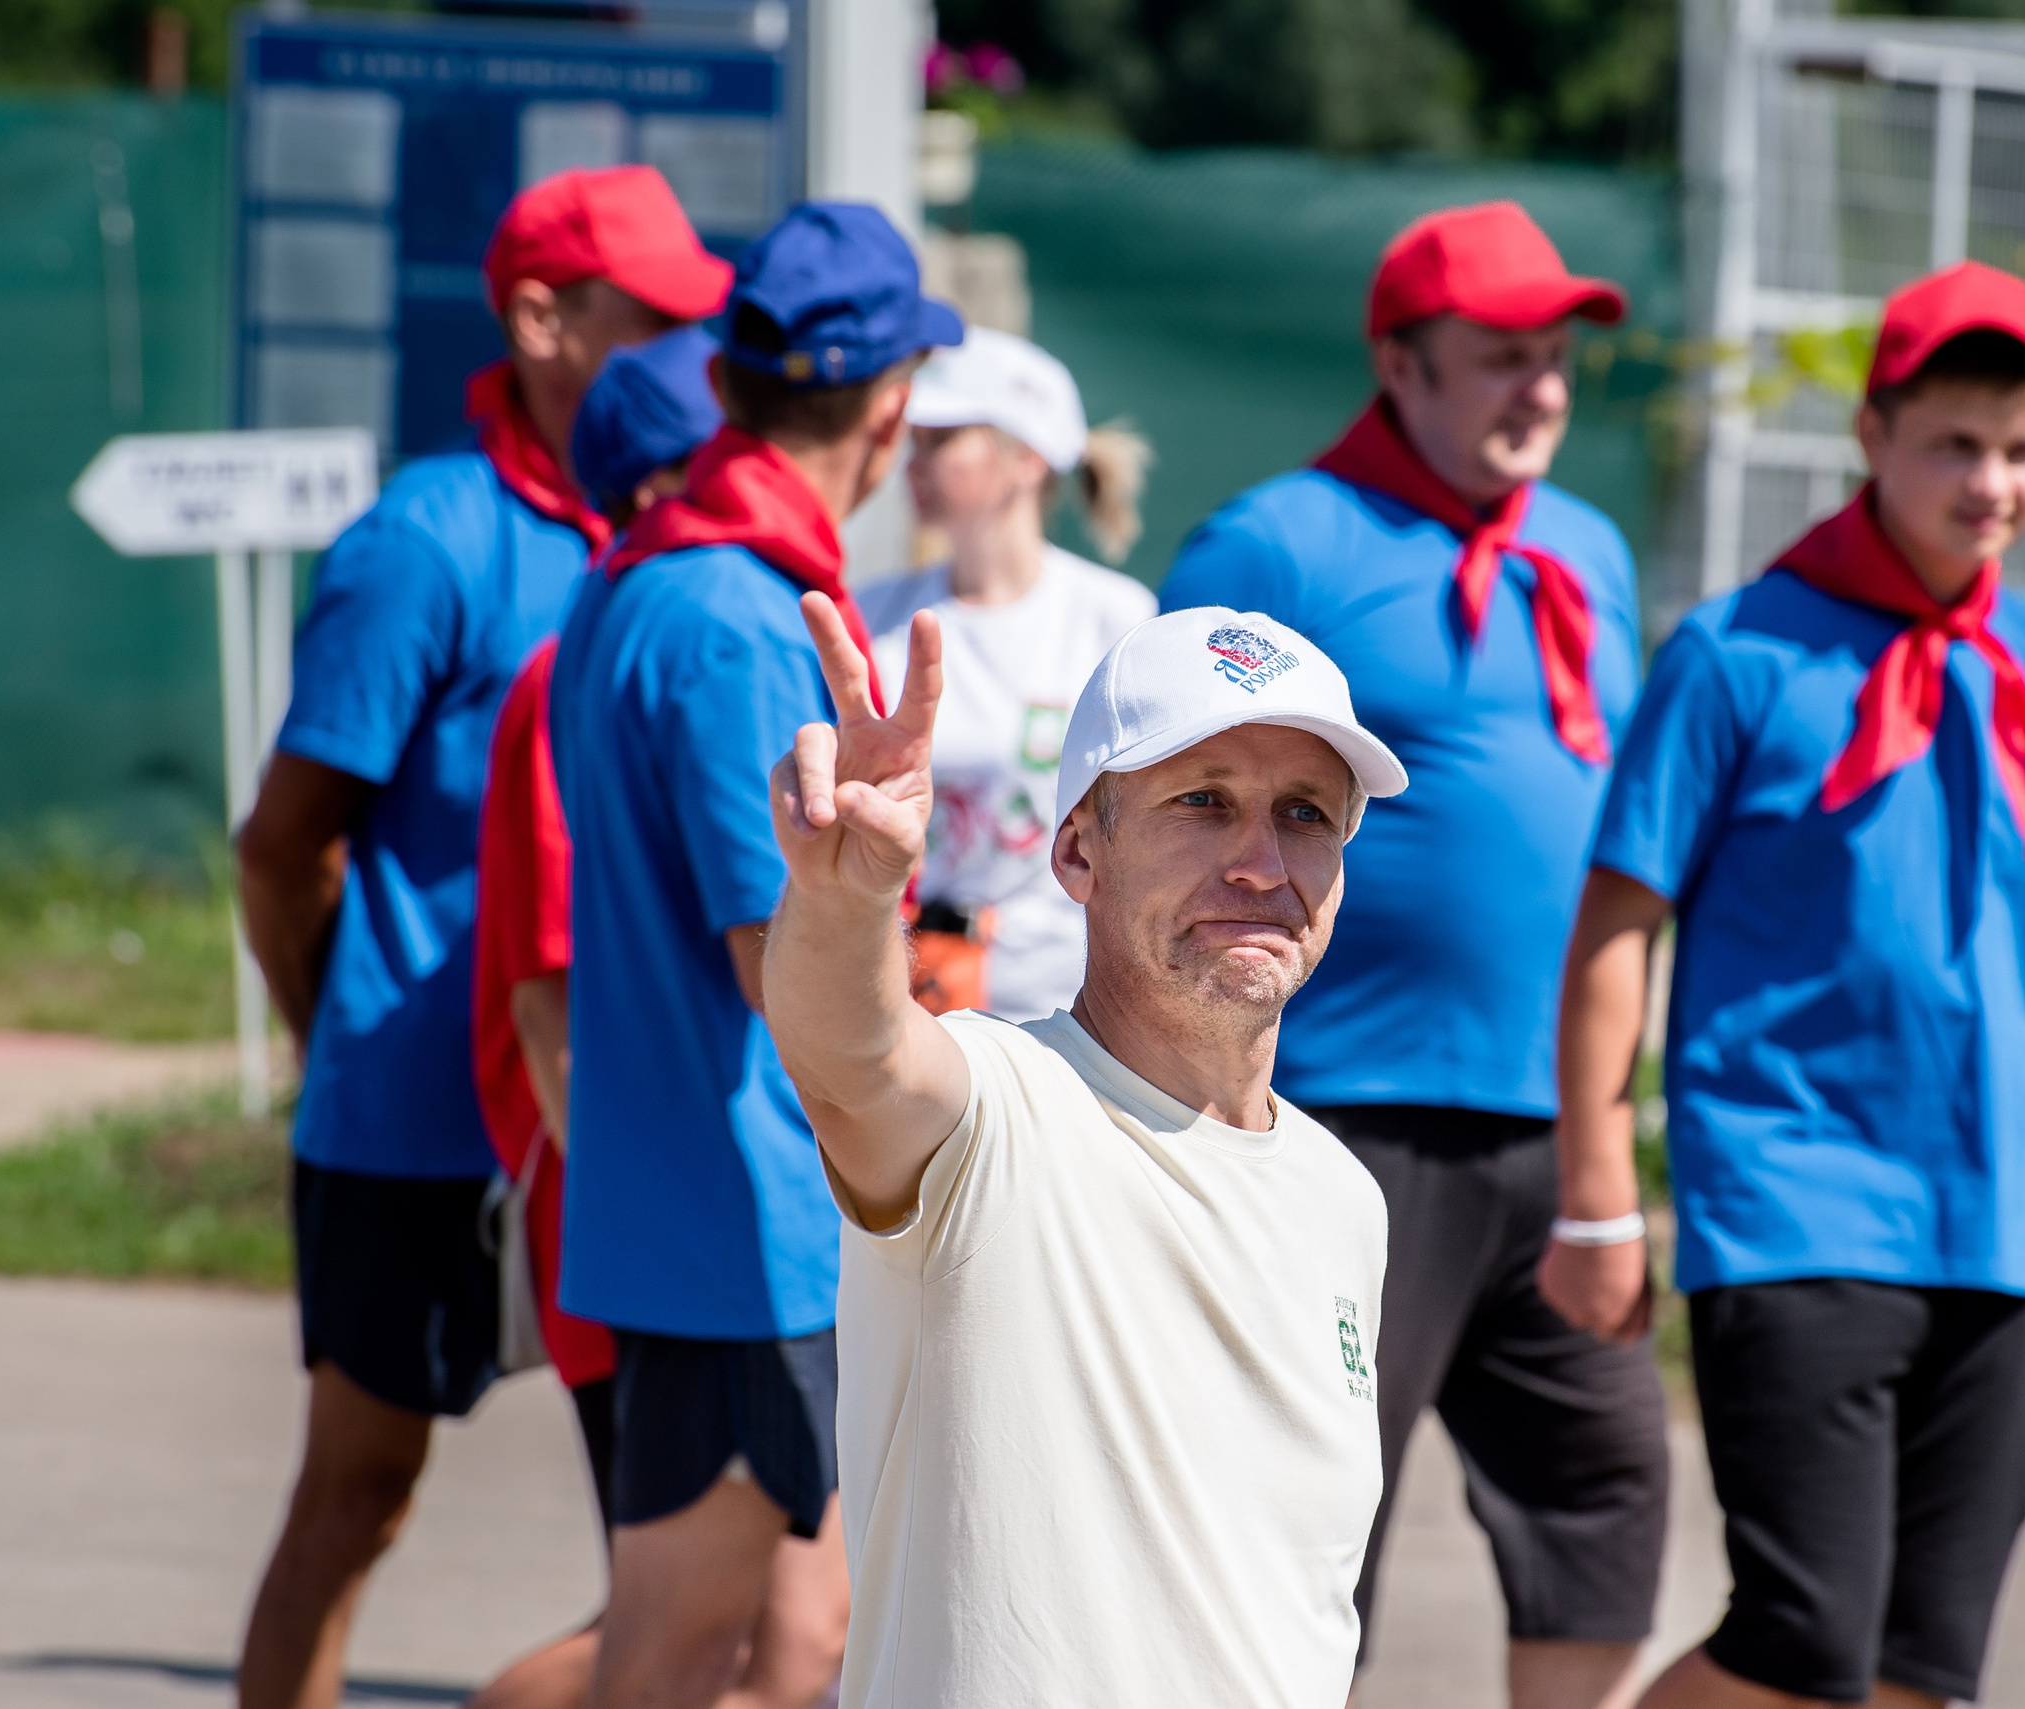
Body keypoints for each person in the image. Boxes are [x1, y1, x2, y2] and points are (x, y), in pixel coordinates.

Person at [1545, 261, 2025, 1709]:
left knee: (1923, 1659)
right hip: (1793, 1197)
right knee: (1805, 1632)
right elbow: (1612, 929)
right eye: (1955, 444)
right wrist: (1598, 1192)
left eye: (2023, 449)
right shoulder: (1737, 654)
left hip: (1985, 1226)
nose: (1993, 483)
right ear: (1873, 431)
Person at [232, 167, 729, 1709]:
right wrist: (341, 1052)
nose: (693, 364)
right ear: (537, 319)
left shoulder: (668, 539)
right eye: (655, 326)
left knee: (671, 1552)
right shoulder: (428, 542)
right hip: (415, 1124)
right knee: (355, 1497)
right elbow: (280, 848)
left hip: (612, 1129)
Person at [1160, 200, 1666, 1709]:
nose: (1543, 390)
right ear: (1400, 361)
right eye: (1502, 357)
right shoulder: (1279, 543)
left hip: (1555, 1127)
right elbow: (1155, 819)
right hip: (1341, 1118)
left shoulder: (1586, 549)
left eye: (1559, 359)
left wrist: (1612, 1144)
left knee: (1609, 1498)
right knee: (1306, 1531)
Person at [760, 597, 1406, 1708]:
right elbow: (852, 1054)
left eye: (1304, 813)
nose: (1260, 862)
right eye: (1200, 802)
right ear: (1076, 849)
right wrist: (844, 900)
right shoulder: (997, 1110)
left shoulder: (1343, 1198)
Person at [548, 200, 962, 1709]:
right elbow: (776, 964)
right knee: (675, 1651)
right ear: (898, 406)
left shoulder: (642, 577)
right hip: (745, 1223)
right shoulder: (735, 617)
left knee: (796, 1640)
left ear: (726, 386)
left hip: (691, 1199)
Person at [463, 324, 725, 1709]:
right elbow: (549, 1001)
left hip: (680, 1220)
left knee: (743, 1621)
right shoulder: (596, 671)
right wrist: (657, 1225)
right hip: (639, 1231)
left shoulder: (661, 645)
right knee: (683, 1621)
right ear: (651, 486)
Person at [854, 326, 1156, 1021]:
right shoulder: (873, 613)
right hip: (900, 1005)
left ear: (1025, 457)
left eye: (943, 440)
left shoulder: (1111, 616)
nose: (913, 462)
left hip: (1056, 1014)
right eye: (914, 441)